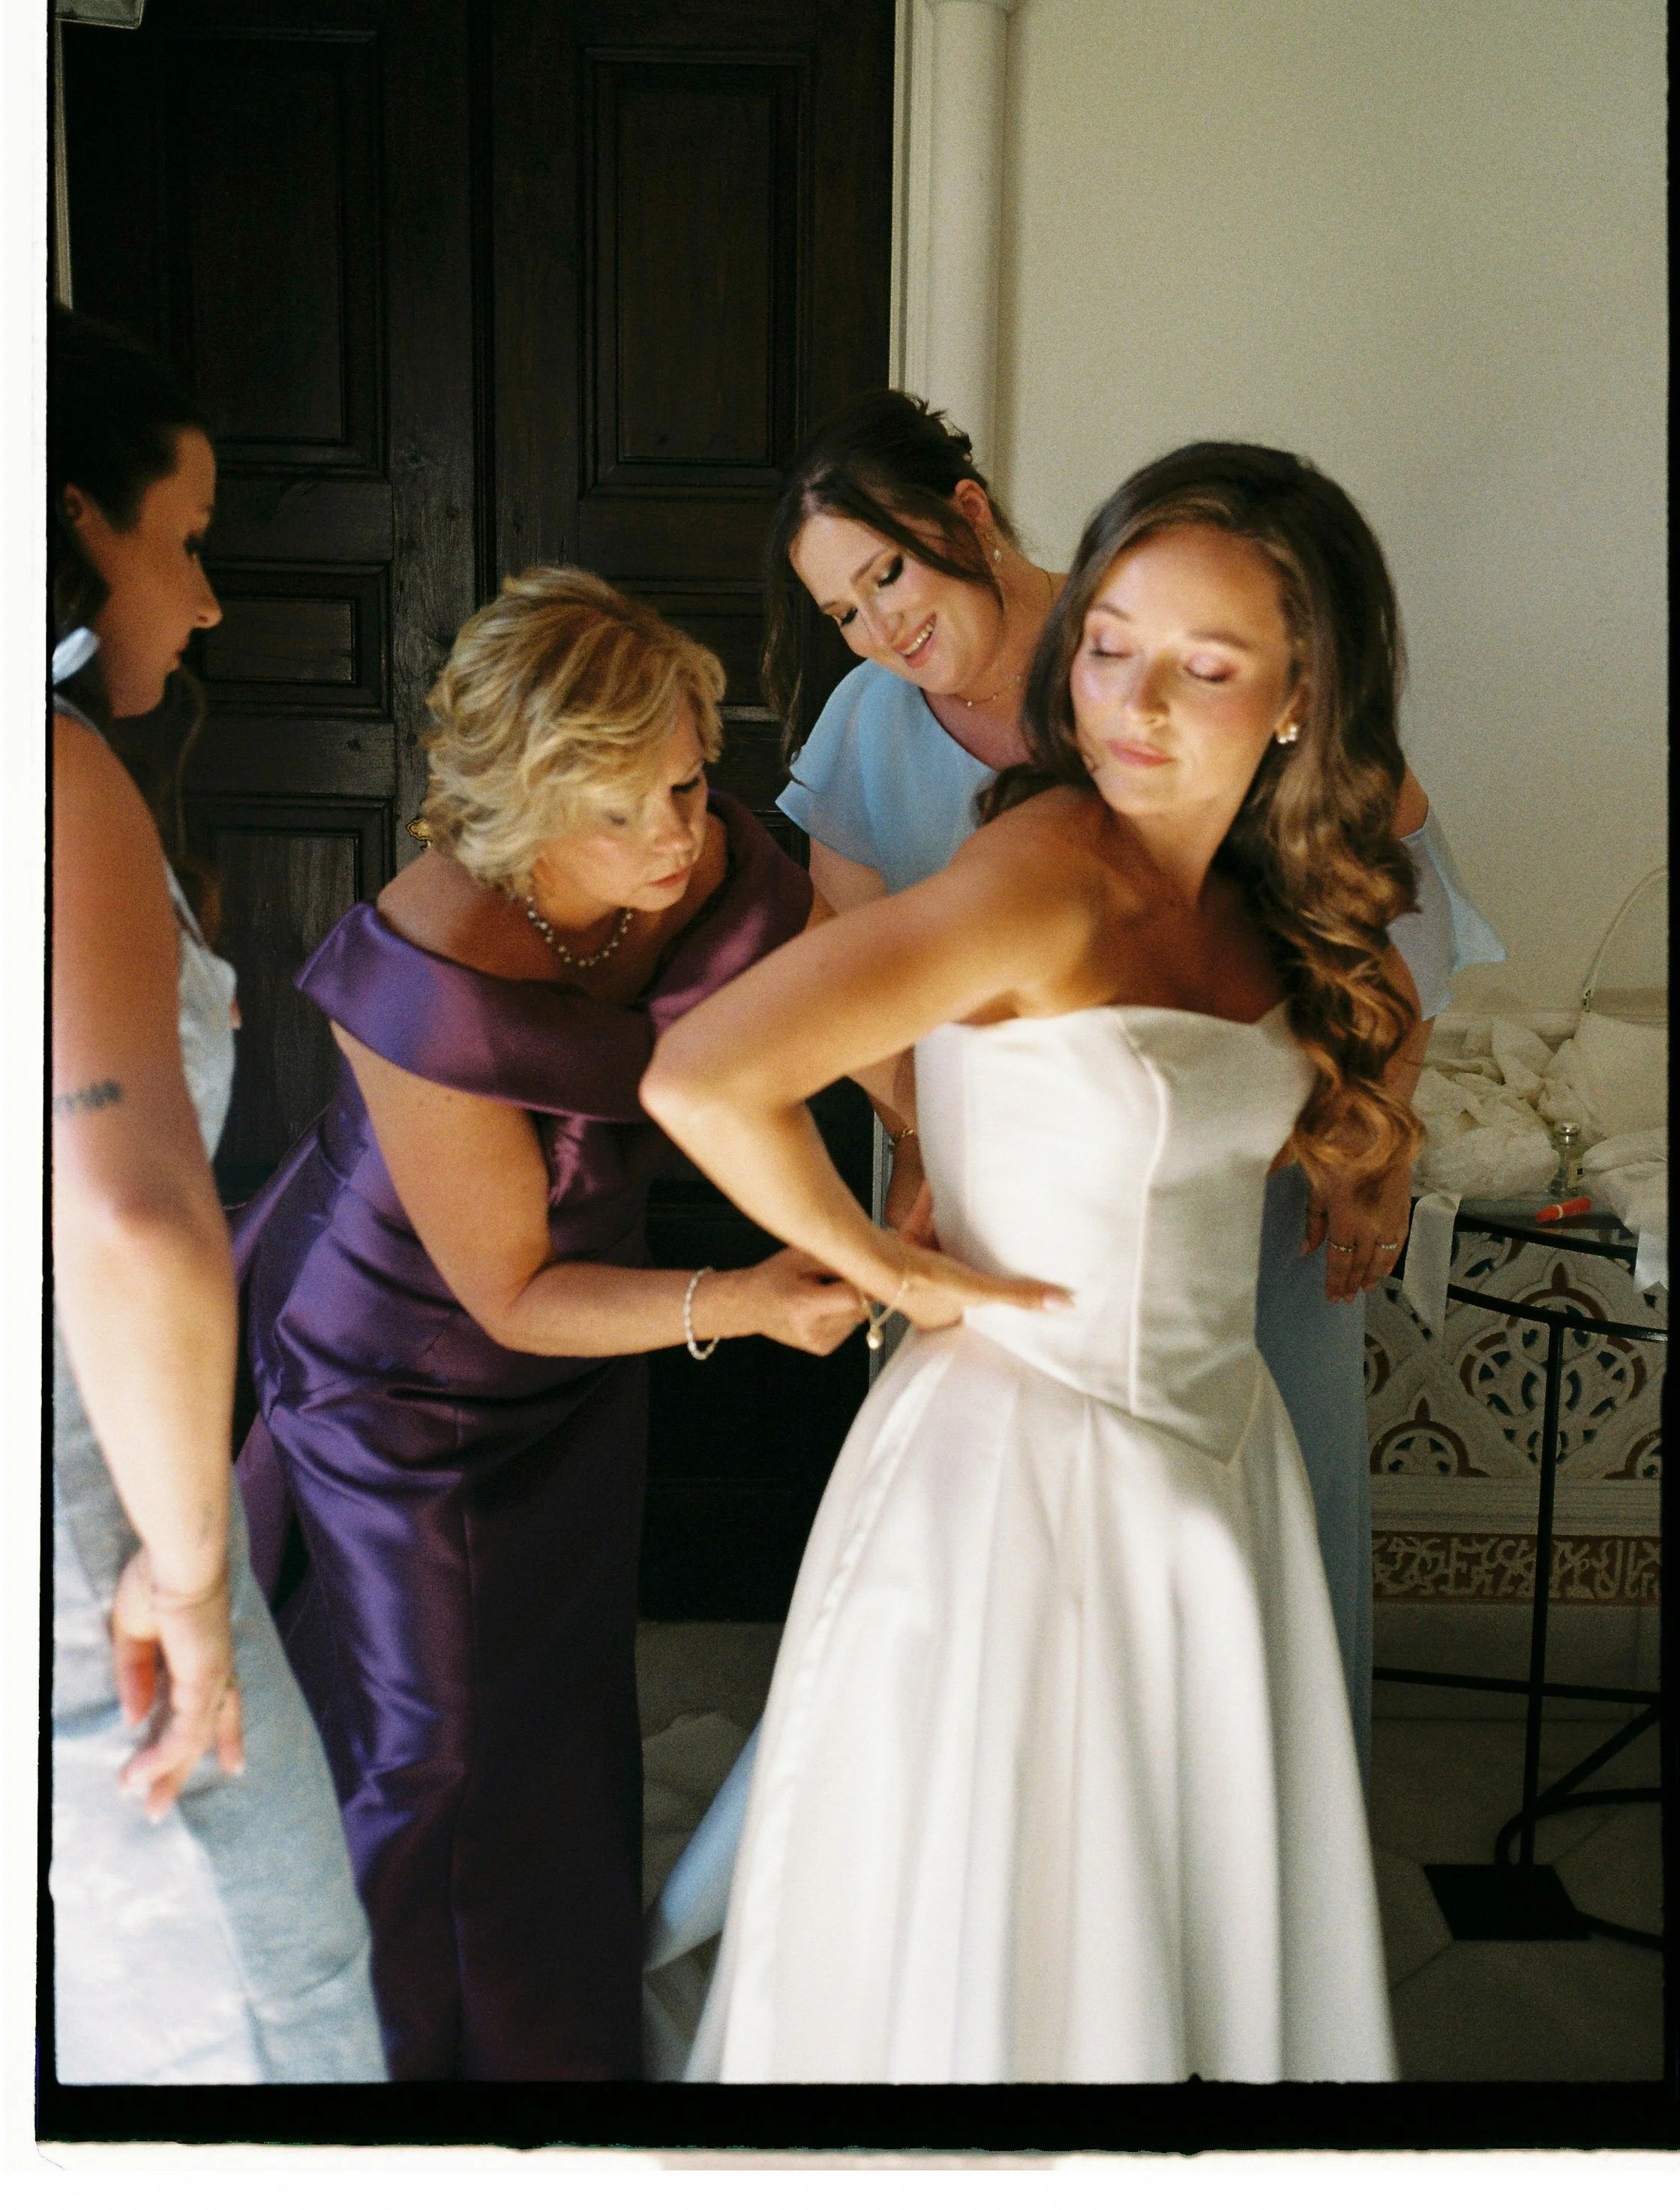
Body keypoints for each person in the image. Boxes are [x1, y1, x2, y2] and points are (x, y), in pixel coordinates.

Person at [642, 443, 1416, 2082]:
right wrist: (891, 1260)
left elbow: (1371, 1016)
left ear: (1299, 695)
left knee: (1188, 1902)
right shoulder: (1041, 869)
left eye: (1202, 666)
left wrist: (1378, 1142)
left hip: (1220, 1461)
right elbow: (705, 1073)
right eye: (1111, 640)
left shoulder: (1265, 890)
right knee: (1020, 1939)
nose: (1133, 700)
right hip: (1023, 1479)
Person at [763, 391, 1503, 1761]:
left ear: (965, 515)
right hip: (1017, 1189)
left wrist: (1376, 1138)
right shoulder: (869, 719)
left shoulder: (1152, 630)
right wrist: (927, 1148)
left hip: (1238, 1151)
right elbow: (844, 951)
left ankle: (1274, 1806)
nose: (882, 629)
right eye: (844, 611)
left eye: (891, 574)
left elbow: (1390, 886)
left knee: (1261, 1483)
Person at [232, 568, 866, 2082]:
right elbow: (504, 1289)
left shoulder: (697, 855)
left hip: (589, 1348)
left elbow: (869, 1005)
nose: (672, 838)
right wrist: (749, 1299)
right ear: (520, 811)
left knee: (552, 1689)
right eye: (619, 809)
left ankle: (548, 2001)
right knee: (433, 1736)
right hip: (398, 1363)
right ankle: (415, 2066)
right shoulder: (420, 971)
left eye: (689, 784)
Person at [49, 304, 385, 2085]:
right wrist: (188, 1578)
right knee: (267, 2011)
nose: (206, 600)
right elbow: (127, 1218)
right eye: (181, 543)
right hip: (90, 1516)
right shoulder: (51, 778)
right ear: (75, 523)